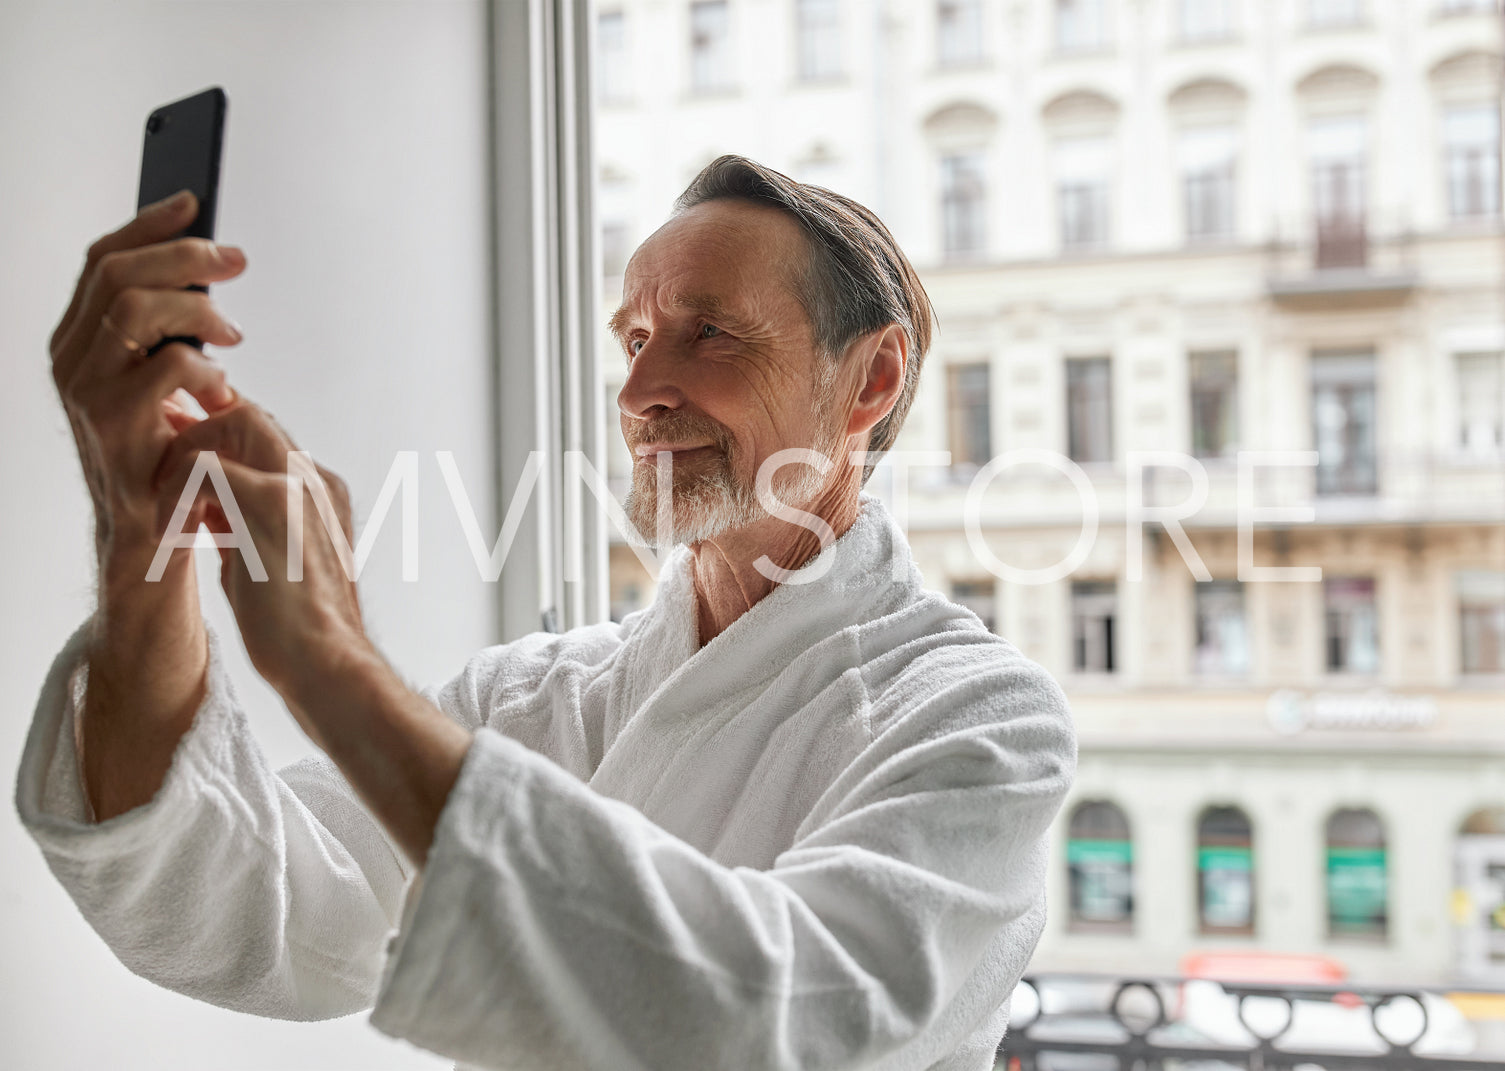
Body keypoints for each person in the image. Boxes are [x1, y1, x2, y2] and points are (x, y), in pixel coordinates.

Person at [17, 155, 1076, 1071]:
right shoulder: (529, 701)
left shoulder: (975, 720)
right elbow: (235, 897)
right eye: (635, 337)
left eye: (709, 334)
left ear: (869, 381)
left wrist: (329, 662)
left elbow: (778, 1028)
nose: (640, 390)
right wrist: (133, 534)